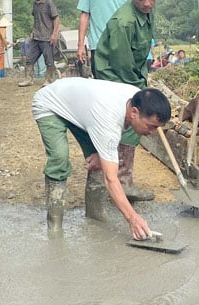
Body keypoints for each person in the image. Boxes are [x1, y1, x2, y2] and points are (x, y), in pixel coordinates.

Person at [31, 78, 171, 238]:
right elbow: (110, 179)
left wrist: (102, 152)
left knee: (102, 162)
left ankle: (95, 214)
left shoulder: (136, 99)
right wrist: (133, 218)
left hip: (83, 110)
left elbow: (110, 134)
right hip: (50, 104)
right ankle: (54, 224)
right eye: (151, 126)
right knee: (59, 159)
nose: (153, 132)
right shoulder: (109, 120)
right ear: (134, 113)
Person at [92, 0, 160, 202]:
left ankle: (123, 180)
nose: (147, 3)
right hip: (114, 75)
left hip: (133, 72)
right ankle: (119, 184)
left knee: (130, 128)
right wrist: (138, 92)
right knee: (127, 123)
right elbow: (122, 65)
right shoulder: (124, 22)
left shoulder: (148, 12)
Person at [76, 0, 130, 76]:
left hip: (123, 46)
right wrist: (80, 45)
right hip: (99, 46)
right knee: (101, 84)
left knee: (123, 83)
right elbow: (84, 16)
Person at [19, 0, 61, 87]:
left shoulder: (48, 3)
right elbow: (36, 20)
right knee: (29, 59)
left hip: (47, 37)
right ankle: (29, 79)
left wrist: (54, 34)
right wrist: (32, 32)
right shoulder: (35, 4)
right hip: (36, 36)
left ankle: (49, 80)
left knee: (49, 61)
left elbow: (56, 19)